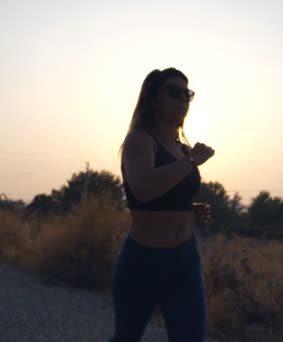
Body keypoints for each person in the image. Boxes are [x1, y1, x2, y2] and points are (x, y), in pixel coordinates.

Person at [110, 68, 215, 342]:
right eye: (174, 92)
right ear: (154, 98)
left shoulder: (182, 148)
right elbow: (143, 189)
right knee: (126, 338)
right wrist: (190, 162)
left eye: (187, 93)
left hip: (185, 259)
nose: (183, 99)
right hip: (144, 260)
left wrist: (188, 210)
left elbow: (168, 192)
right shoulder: (140, 140)